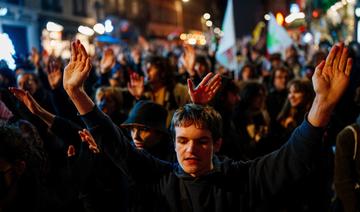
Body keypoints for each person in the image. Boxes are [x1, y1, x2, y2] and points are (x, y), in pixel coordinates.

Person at [63, 40, 352, 211]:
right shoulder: (160, 178)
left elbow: (294, 156)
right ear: (173, 142)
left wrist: (322, 104)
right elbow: (116, 144)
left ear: (217, 144)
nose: (190, 150)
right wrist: (77, 93)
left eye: (201, 142)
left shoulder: (242, 180)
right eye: (182, 141)